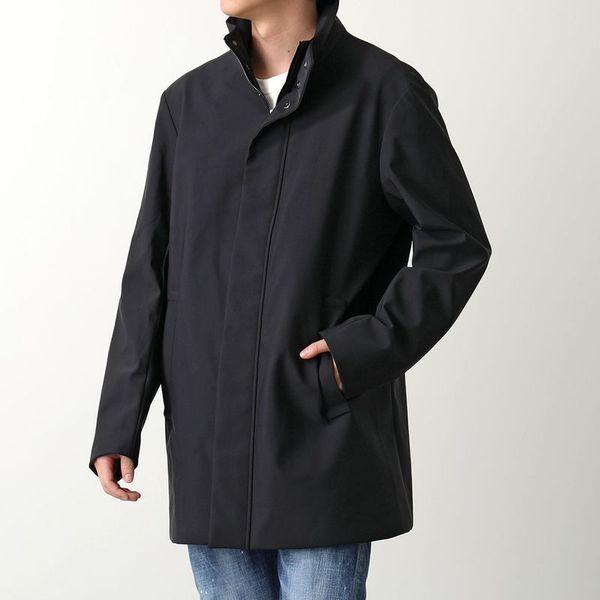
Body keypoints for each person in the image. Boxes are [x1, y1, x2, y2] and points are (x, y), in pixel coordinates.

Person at [89, 0, 491, 597]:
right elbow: (151, 266)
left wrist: (361, 351)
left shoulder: (384, 93)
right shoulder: (189, 104)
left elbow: (455, 245)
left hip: (320, 428)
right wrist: (120, 419)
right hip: (209, 435)